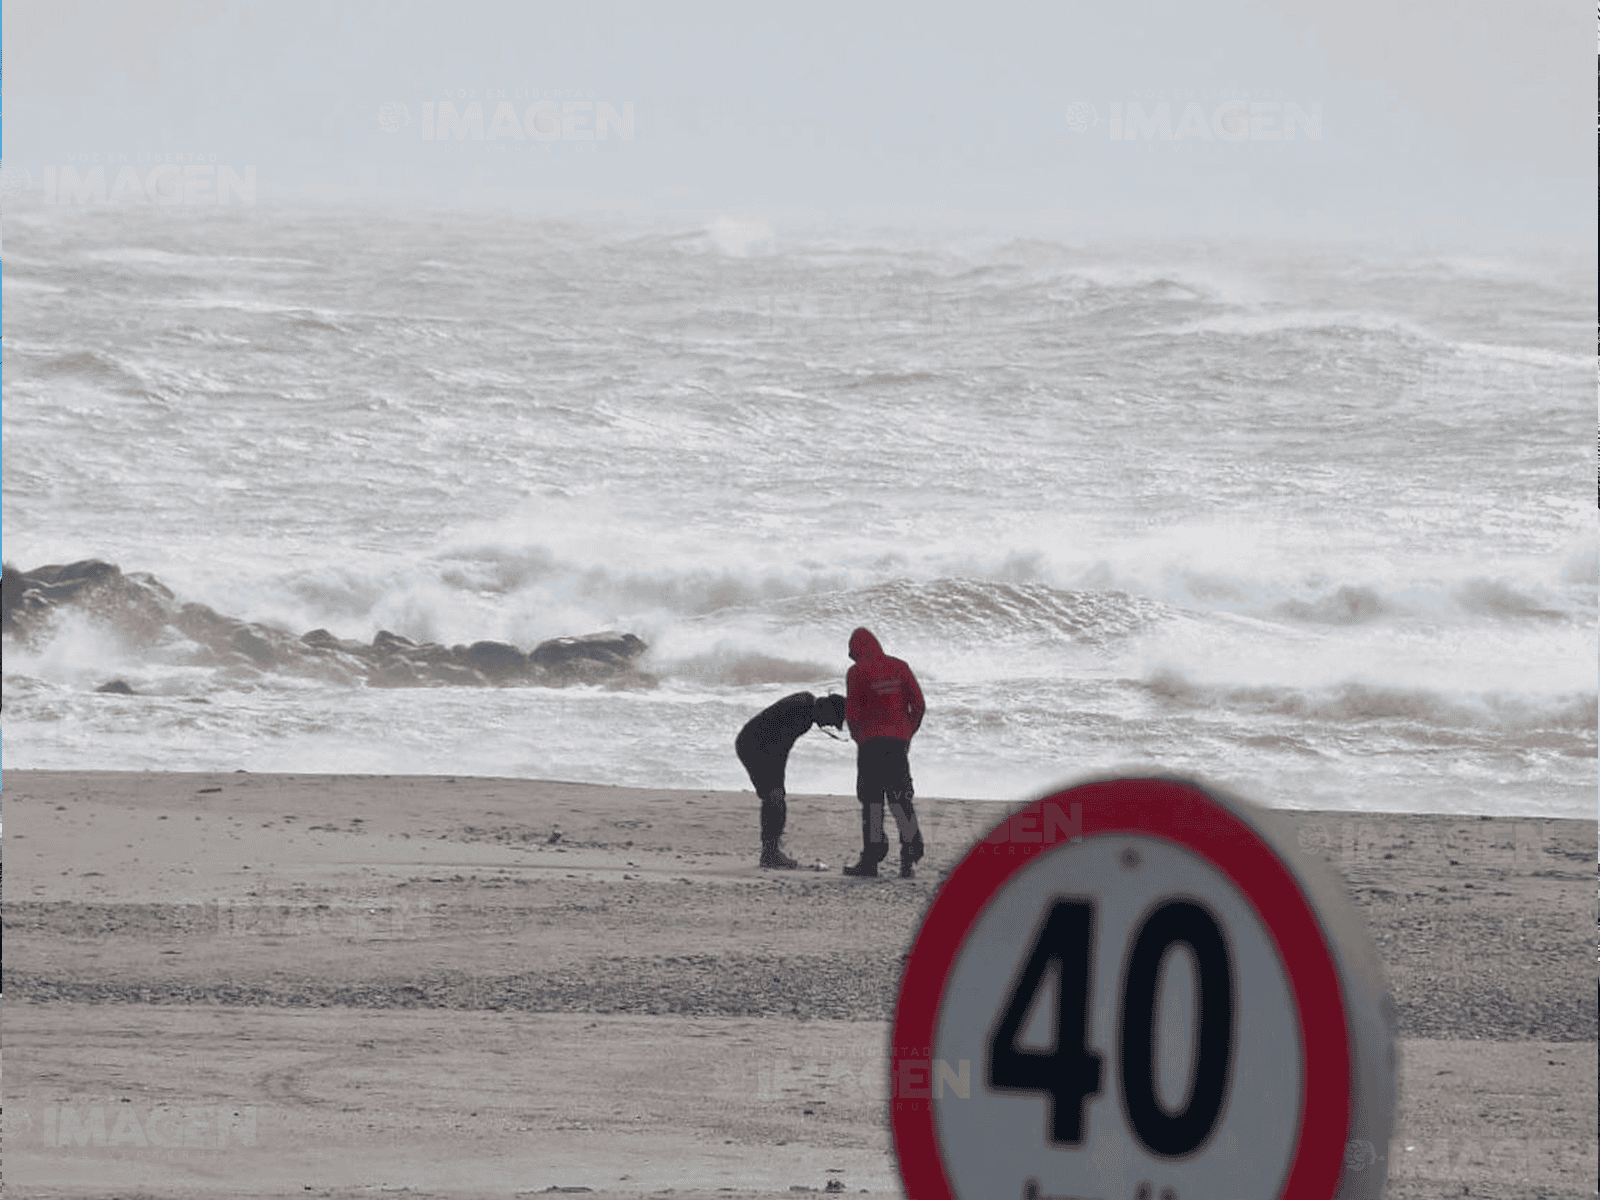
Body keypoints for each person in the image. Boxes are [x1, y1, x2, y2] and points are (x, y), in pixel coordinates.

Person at [842, 627, 926, 879]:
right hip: (897, 743)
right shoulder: (900, 666)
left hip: (870, 746)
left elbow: (853, 713)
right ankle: (909, 858)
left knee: (873, 803)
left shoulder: (856, 672)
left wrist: (859, 738)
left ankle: (871, 861)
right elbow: (919, 705)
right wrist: (907, 733)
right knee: (901, 801)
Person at [735, 691, 848, 869]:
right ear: (827, 708)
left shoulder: (806, 705)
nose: (829, 725)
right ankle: (770, 854)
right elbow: (781, 747)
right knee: (774, 798)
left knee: (774, 798)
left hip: (752, 743)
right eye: (833, 720)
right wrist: (777, 782)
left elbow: (781, 745)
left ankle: (771, 851)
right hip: (753, 745)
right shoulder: (803, 712)